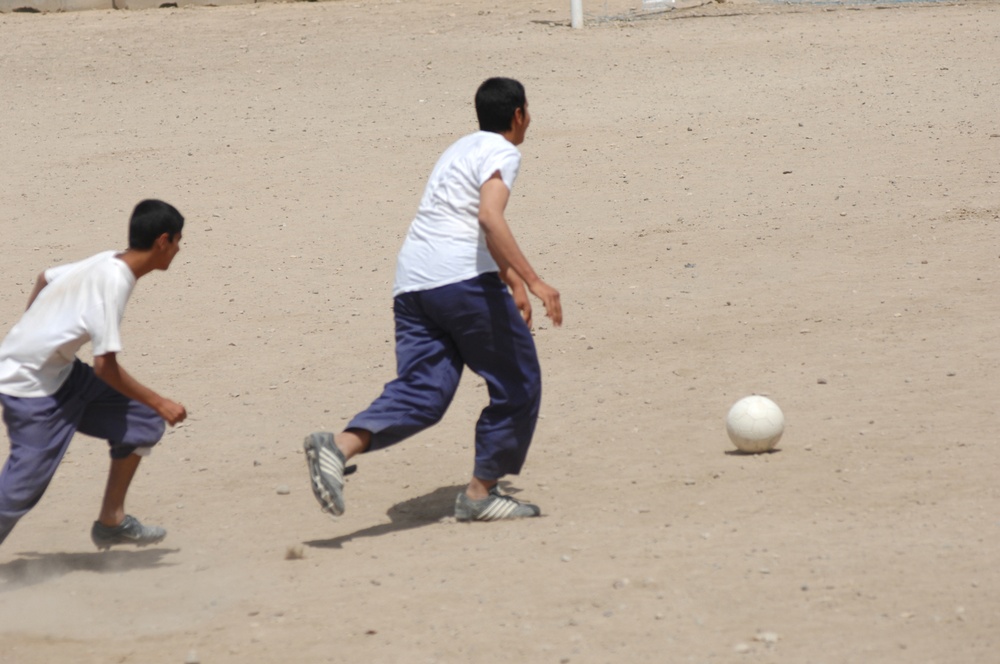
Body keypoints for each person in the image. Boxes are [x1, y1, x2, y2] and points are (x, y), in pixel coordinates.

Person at [305, 77, 562, 523]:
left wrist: (510, 280)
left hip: (413, 286)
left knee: (425, 393)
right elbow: (488, 216)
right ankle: (481, 494)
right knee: (519, 381)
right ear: (518, 114)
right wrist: (534, 280)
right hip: (461, 285)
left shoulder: (457, 150)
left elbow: (460, 219)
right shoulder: (504, 152)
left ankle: (338, 446)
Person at [0, 199, 188, 550]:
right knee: (21, 490)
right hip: (30, 388)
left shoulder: (109, 259)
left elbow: (46, 276)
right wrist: (160, 401)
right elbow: (106, 367)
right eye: (178, 241)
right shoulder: (113, 283)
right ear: (163, 241)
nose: (178, 250)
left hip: (61, 373)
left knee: (143, 421)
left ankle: (111, 522)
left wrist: (32, 330)